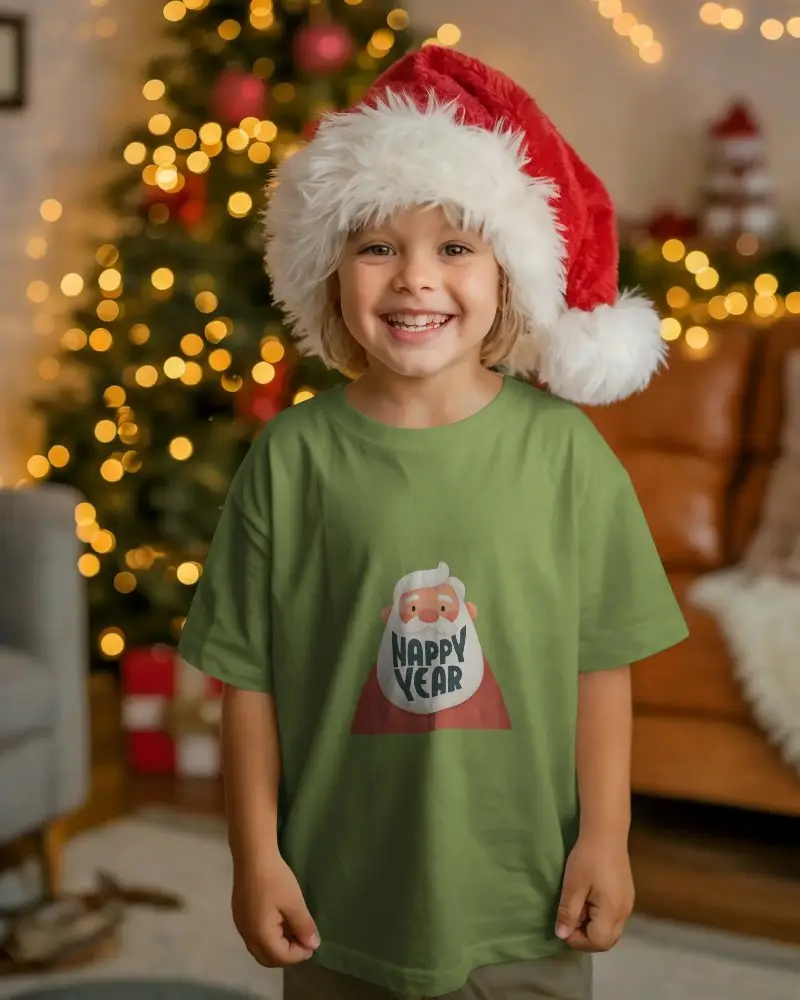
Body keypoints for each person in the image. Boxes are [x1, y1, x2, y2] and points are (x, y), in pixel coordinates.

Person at [179, 46, 689, 1000]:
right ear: (330, 272)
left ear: (509, 275)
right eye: (378, 247)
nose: (416, 279)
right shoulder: (291, 459)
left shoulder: (566, 453)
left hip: (526, 899)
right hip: (339, 900)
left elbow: (601, 664)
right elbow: (247, 682)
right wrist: (256, 859)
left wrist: (607, 840)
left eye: (455, 247)